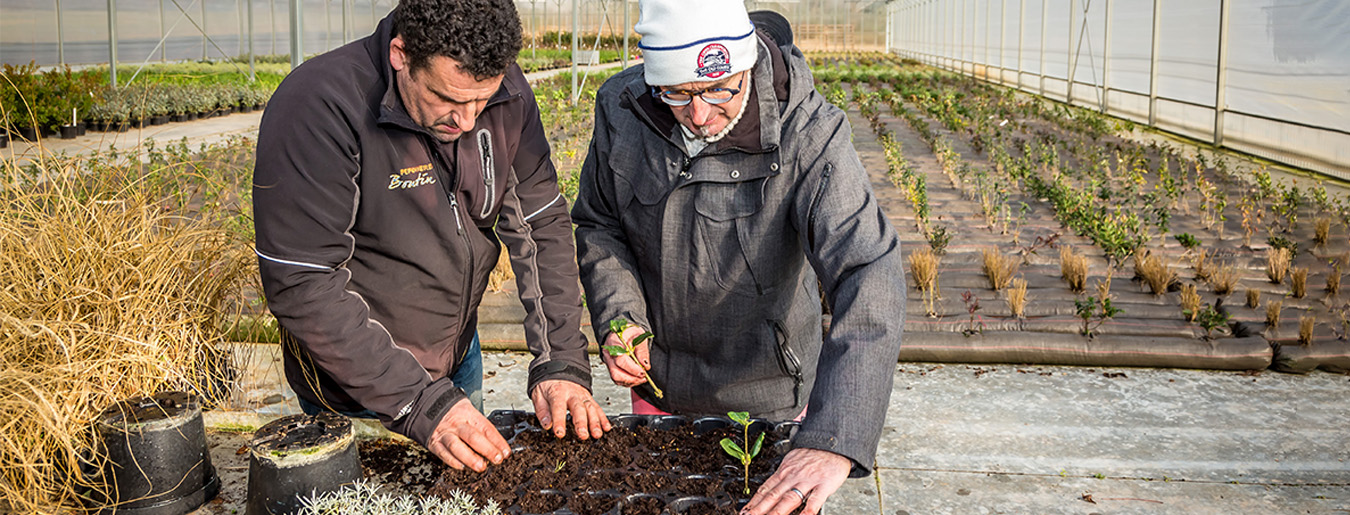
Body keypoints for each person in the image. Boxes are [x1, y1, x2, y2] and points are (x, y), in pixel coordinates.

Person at [571, 2, 906, 514]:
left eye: (718, 89)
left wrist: (834, 438)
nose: (700, 115)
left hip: (768, 396)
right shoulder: (623, 107)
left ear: (746, 63)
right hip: (659, 382)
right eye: (677, 94)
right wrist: (620, 316)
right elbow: (601, 222)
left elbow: (869, 269)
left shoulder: (809, 135)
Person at [252, 0, 609, 473]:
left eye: (481, 100)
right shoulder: (320, 105)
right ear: (401, 54)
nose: (466, 121)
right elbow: (303, 281)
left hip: (458, 356)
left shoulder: (507, 94)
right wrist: (417, 401)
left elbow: (539, 223)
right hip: (360, 383)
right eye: (448, 98)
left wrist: (560, 360)